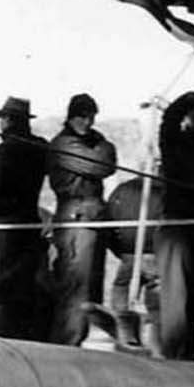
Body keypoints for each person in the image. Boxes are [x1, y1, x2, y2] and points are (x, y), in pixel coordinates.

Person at [147, 90, 194, 363]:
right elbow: (169, 119)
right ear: (190, 121)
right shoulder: (174, 144)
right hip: (176, 230)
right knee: (176, 299)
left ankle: (188, 358)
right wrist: (193, 98)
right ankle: (175, 356)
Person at [0, 98, 53, 338]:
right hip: (27, 229)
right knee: (21, 293)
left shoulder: (5, 152)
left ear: (6, 121)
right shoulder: (39, 150)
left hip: (1, 235)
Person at [46, 94, 117, 344]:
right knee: (76, 288)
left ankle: (81, 341)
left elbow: (107, 159)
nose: (88, 123)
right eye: (83, 117)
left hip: (90, 218)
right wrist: (100, 146)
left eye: (91, 117)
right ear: (71, 117)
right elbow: (101, 165)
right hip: (76, 220)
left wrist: (99, 145)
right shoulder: (63, 145)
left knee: (91, 287)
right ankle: (68, 343)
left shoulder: (89, 142)